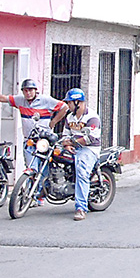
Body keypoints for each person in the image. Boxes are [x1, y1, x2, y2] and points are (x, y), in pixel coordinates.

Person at [50, 87, 101, 221]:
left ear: (77, 102)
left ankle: (81, 208)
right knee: (50, 155)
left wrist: (72, 143)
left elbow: (90, 139)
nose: (68, 105)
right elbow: (65, 135)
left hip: (89, 149)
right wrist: (66, 144)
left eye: (69, 103)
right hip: (73, 146)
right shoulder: (70, 117)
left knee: (81, 170)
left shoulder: (92, 117)